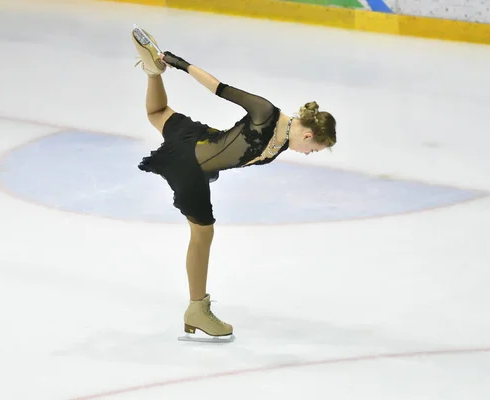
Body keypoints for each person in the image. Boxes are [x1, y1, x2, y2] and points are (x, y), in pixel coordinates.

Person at [131, 26, 337, 342]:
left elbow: (238, 145)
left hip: (201, 141)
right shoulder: (266, 113)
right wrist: (178, 62)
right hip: (191, 163)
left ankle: (150, 71)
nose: (308, 154)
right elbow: (219, 87)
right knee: (203, 233)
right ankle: (196, 309)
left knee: (157, 112)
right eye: (314, 150)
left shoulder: (283, 141)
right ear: (309, 135)